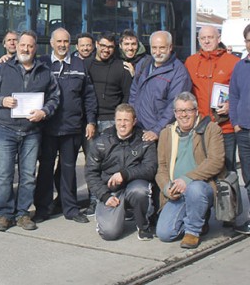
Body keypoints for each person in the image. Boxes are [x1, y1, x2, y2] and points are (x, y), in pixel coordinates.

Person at [0, 30, 60, 232]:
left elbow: (55, 98)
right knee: (4, 175)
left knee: (28, 175)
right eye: (23, 45)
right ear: (16, 46)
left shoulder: (45, 72)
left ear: (35, 48)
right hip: (4, 129)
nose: (26, 49)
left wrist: (44, 112)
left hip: (32, 131)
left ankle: (23, 214)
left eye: (30, 46)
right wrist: (2, 101)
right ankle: (5, 214)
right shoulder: (3, 68)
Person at [34, 28, 97, 224]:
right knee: (45, 169)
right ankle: (42, 209)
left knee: (68, 170)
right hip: (47, 127)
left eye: (66, 41)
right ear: (51, 43)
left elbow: (88, 96)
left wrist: (91, 121)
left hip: (72, 127)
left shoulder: (79, 64)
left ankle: (70, 209)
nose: (62, 45)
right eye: (59, 41)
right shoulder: (43, 63)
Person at [155, 92, 225, 249]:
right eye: (179, 111)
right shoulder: (166, 134)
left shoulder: (211, 129)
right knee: (165, 234)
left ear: (196, 111)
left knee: (195, 189)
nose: (183, 115)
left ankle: (193, 231)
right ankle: (199, 219)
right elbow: (162, 168)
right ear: (174, 113)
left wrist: (186, 179)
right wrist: (167, 188)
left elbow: (216, 161)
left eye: (188, 110)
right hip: (176, 191)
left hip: (202, 187)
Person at [85, 104, 157, 241]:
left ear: (134, 121)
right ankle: (109, 215)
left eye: (126, 120)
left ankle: (143, 225)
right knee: (109, 234)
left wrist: (125, 174)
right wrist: (105, 196)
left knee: (140, 190)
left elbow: (150, 168)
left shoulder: (145, 140)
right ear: (114, 120)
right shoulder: (101, 141)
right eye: (119, 120)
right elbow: (90, 173)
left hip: (134, 186)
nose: (122, 124)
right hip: (111, 190)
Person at [85, 32, 133, 216]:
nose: (106, 50)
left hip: (112, 120)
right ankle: (93, 200)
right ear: (97, 44)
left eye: (110, 47)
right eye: (103, 46)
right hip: (90, 121)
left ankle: (115, 199)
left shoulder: (121, 67)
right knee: (92, 163)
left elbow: (127, 96)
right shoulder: (86, 64)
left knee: (113, 162)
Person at [184, 25, 239, 172]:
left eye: (210, 37)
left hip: (225, 128)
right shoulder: (190, 62)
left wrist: (230, 105)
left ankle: (232, 196)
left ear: (219, 38)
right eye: (203, 38)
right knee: (201, 171)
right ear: (198, 40)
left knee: (227, 172)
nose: (206, 41)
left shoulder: (233, 62)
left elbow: (243, 93)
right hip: (199, 128)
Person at [129, 31, 192, 142]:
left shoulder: (178, 72)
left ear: (170, 47)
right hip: (137, 129)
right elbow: (134, 93)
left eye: (162, 48)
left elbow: (174, 106)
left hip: (160, 134)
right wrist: (132, 120)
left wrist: (157, 130)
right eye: (154, 48)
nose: (157, 52)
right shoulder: (143, 64)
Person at [229, 23, 250, 234]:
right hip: (244, 131)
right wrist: (235, 122)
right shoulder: (240, 66)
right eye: (248, 40)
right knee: (248, 177)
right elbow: (233, 95)